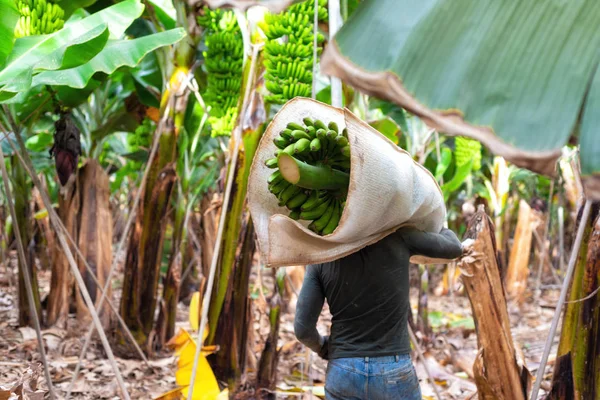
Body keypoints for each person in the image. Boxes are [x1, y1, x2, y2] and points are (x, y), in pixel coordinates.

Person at [294, 226, 464, 400]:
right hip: (394, 370)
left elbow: (303, 329)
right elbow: (454, 248)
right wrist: (438, 225)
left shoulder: (323, 255)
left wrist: (323, 348)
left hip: (343, 369)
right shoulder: (400, 236)